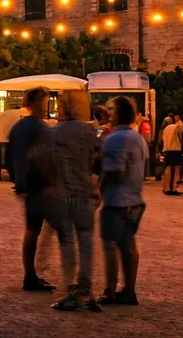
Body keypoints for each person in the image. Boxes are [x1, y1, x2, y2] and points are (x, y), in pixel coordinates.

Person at [47, 90, 102, 312]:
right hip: (85, 192)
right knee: (86, 242)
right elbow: (97, 161)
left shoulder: (55, 132)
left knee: (67, 241)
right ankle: (86, 288)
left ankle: (69, 288)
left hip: (64, 192)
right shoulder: (90, 131)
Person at [99, 96, 147, 305]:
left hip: (117, 199)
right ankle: (129, 289)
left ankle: (110, 289)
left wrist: (98, 189)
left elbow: (115, 171)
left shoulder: (115, 139)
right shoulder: (137, 137)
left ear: (118, 112)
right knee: (128, 244)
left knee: (111, 245)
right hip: (134, 198)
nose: (106, 112)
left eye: (110, 109)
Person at [9, 87, 55, 292]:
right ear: (35, 102)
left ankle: (33, 273)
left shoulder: (18, 127)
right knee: (35, 229)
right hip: (38, 183)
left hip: (28, 183)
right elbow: (45, 156)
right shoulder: (39, 128)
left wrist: (18, 180)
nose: (47, 107)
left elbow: (10, 158)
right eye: (44, 102)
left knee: (35, 228)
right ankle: (31, 274)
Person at [0, 106, 22, 181]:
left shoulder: (1, 114)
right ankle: (13, 177)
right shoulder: (19, 115)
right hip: (7, 140)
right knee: (9, 160)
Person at [160, 113, 183, 195]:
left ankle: (166, 187)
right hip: (175, 149)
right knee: (175, 168)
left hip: (166, 149)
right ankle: (172, 188)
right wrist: (179, 121)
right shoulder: (174, 127)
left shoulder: (164, 129)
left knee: (168, 167)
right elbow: (181, 129)